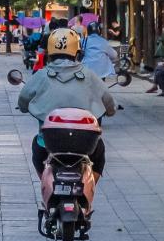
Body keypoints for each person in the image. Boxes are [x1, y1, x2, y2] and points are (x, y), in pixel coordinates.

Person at [17, 28, 115, 177]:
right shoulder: (89, 75)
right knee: (99, 153)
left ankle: (45, 182)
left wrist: (24, 107)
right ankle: (89, 191)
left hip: (49, 142)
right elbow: (107, 100)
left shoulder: (41, 75)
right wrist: (110, 111)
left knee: (37, 151)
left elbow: (24, 99)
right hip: (85, 142)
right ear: (78, 53)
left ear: (49, 53)